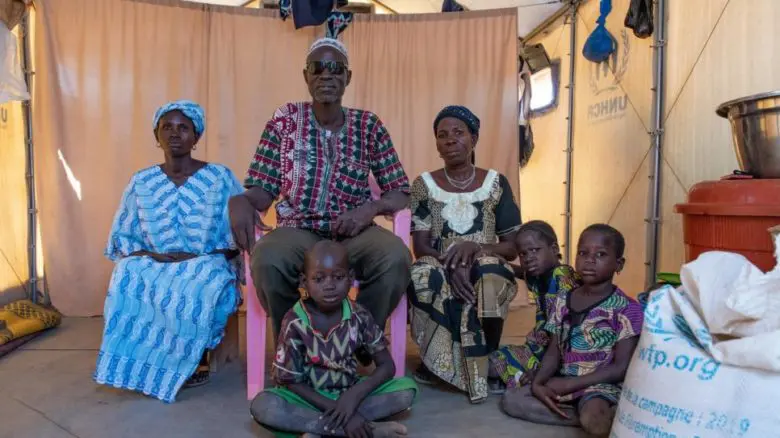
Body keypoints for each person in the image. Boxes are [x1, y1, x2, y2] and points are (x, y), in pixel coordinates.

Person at [229, 37, 411, 340]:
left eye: (336, 68)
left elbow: (400, 191)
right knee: (268, 259)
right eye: (318, 68)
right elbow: (264, 188)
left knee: (395, 257)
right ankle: (297, 345)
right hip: (299, 229)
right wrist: (241, 199)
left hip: (355, 234)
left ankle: (356, 340)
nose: (326, 75)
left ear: (347, 77)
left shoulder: (369, 125)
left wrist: (369, 209)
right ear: (306, 76)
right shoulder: (284, 121)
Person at [94, 101, 243, 403]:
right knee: (126, 273)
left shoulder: (220, 178)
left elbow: (237, 237)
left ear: (196, 137)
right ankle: (141, 363)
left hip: (206, 260)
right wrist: (152, 256)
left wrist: (200, 257)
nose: (175, 133)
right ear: (156, 135)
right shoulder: (142, 181)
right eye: (167, 127)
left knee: (198, 280)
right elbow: (125, 233)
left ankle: (192, 358)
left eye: (183, 127)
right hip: (156, 261)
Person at [407, 105, 522, 404]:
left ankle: (489, 356)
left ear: (474, 138)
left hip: (486, 257)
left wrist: (476, 249)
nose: (450, 140)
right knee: (424, 274)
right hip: (439, 258)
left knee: (490, 272)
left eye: (459, 133)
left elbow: (511, 246)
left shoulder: (496, 183)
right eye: (442, 135)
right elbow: (420, 247)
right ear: (436, 144)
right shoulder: (423, 185)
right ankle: (437, 361)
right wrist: (451, 263)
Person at [250, 240, 417, 438]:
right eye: (318, 279)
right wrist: (341, 410)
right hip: (309, 398)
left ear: (350, 278)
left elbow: (387, 366)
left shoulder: (359, 315)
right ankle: (365, 429)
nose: (329, 286)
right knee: (264, 405)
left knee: (406, 390)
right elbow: (290, 381)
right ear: (304, 282)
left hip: (349, 391)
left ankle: (314, 427)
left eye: (338, 277)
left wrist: (352, 398)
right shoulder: (294, 321)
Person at [501, 224, 643, 437]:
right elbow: (553, 352)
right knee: (513, 400)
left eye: (601, 254)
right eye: (583, 253)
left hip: (599, 385)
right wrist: (540, 383)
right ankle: (585, 416)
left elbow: (620, 368)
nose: (589, 260)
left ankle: (591, 414)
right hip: (563, 379)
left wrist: (570, 384)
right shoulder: (564, 300)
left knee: (594, 413)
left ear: (618, 264)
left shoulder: (627, 308)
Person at [489, 221, 581, 393]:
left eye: (534, 250)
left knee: (493, 368)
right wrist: (503, 264)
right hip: (539, 348)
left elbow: (562, 334)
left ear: (554, 249)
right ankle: (522, 378)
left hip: (561, 352)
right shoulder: (539, 276)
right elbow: (521, 273)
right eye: (523, 254)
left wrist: (541, 371)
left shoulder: (563, 279)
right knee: (492, 362)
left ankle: (538, 379)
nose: (528, 257)